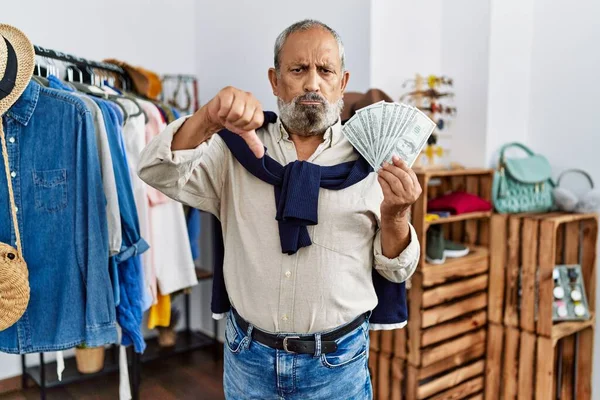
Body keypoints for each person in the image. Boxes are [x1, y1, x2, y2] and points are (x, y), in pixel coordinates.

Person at [138, 19, 421, 400]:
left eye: (325, 70)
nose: (312, 83)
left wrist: (396, 216)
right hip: (248, 361)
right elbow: (156, 171)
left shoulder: (373, 161)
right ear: (274, 80)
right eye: (298, 69)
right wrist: (206, 117)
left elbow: (396, 267)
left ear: (342, 80)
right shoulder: (234, 150)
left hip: (337, 367)